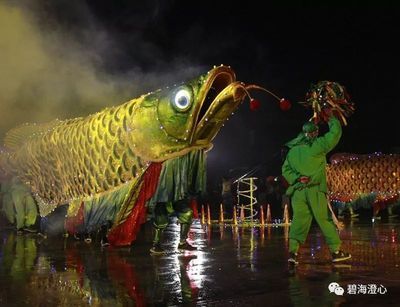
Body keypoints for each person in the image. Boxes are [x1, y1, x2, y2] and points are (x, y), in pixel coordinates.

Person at [282, 114, 351, 265]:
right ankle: (336, 251)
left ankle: (293, 253)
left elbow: (285, 170)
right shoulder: (318, 146)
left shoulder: (292, 151)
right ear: (314, 133)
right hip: (315, 190)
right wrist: (332, 118)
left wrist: (297, 178)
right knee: (325, 220)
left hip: (298, 192)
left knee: (299, 221)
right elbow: (334, 134)